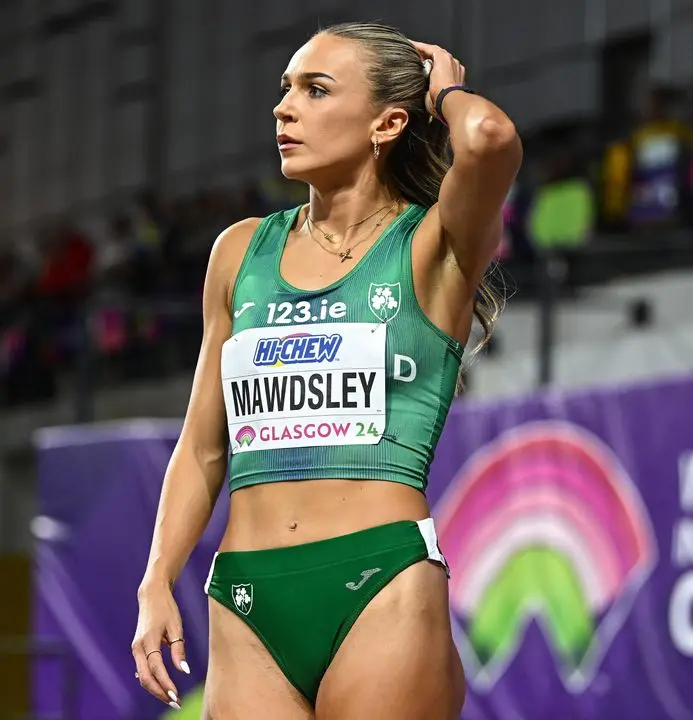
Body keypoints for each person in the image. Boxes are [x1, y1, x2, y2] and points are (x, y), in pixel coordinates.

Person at [132, 21, 521, 720]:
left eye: (315, 89)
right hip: (245, 595)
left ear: (388, 122)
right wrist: (156, 579)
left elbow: (488, 138)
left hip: (380, 581)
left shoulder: (432, 244)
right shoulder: (240, 251)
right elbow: (202, 447)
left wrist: (449, 93)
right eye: (284, 89)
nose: (284, 108)